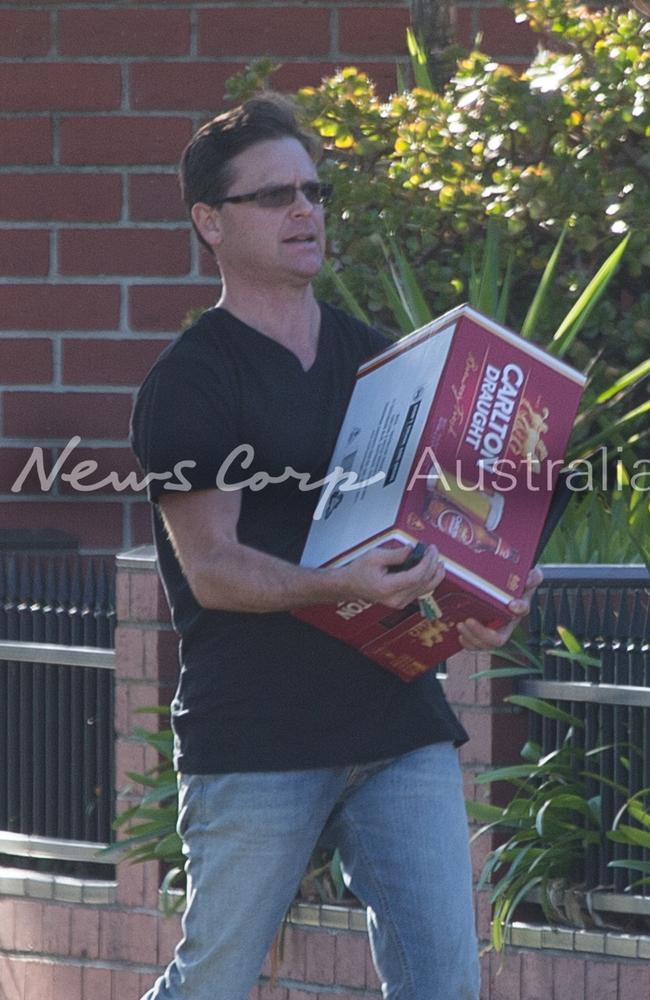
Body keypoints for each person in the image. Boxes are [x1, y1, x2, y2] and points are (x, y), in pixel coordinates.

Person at [130, 93, 542, 1000]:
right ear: (211, 222)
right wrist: (333, 583)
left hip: (397, 725)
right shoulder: (191, 381)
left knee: (445, 984)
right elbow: (215, 569)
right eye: (274, 196)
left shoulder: (383, 362)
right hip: (258, 733)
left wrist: (484, 599)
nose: (305, 211)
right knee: (214, 981)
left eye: (313, 191)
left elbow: (434, 537)